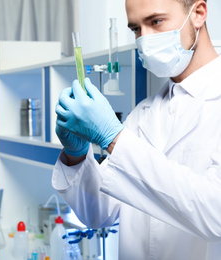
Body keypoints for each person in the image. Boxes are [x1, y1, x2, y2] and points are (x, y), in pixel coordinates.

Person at [53, 0, 221, 259]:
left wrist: (114, 138)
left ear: (198, 14)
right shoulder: (143, 113)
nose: (144, 39)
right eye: (135, 29)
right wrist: (75, 155)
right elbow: (99, 213)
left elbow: (215, 215)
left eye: (155, 22)